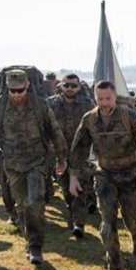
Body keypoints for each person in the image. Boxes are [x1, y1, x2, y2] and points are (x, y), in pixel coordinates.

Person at [70, 81, 136, 270]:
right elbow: (79, 148)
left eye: (108, 98)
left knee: (132, 219)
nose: (104, 103)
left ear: (115, 97)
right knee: (107, 223)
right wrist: (73, 176)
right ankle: (114, 265)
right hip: (105, 174)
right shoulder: (90, 119)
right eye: (100, 99)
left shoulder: (130, 117)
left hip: (131, 174)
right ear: (95, 98)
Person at [0, 69, 68, 264]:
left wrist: (62, 158)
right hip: (12, 163)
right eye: (13, 91)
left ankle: (36, 246)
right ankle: (29, 241)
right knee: (21, 205)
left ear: (27, 86)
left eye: (20, 90)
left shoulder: (40, 105)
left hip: (37, 161)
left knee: (35, 200)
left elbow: (55, 132)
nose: (17, 95)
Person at [48, 73, 95, 238]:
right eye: (66, 85)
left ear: (79, 87)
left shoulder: (87, 105)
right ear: (61, 85)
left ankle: (78, 224)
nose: (70, 88)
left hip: (80, 153)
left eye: (73, 86)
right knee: (66, 188)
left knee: (79, 189)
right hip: (58, 154)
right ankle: (72, 214)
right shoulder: (51, 104)